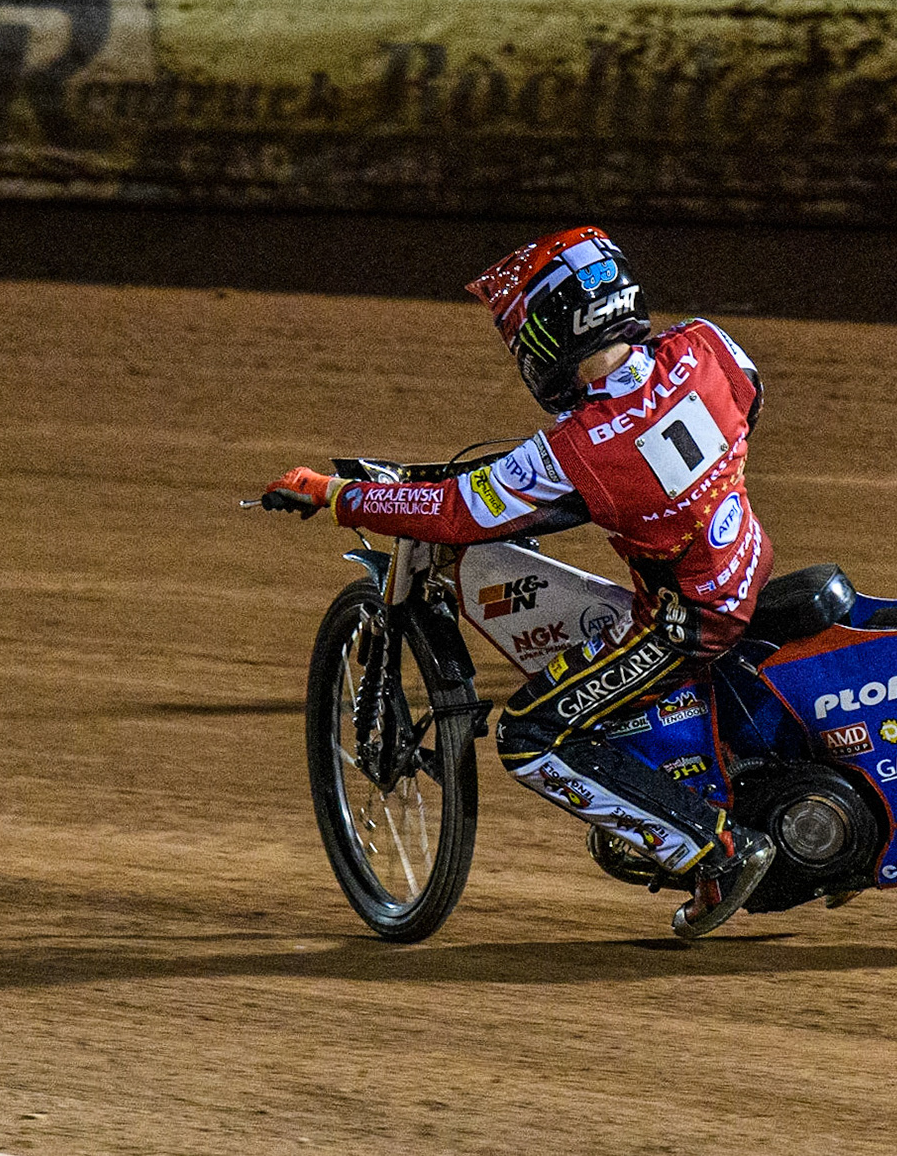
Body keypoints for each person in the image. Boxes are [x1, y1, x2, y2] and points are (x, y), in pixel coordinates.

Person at [263, 226, 776, 940]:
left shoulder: (577, 447)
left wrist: (333, 493)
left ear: (556, 329)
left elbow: (456, 512)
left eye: (523, 333)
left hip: (686, 620)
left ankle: (712, 847)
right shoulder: (704, 344)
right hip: (748, 562)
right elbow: (751, 400)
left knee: (529, 735)